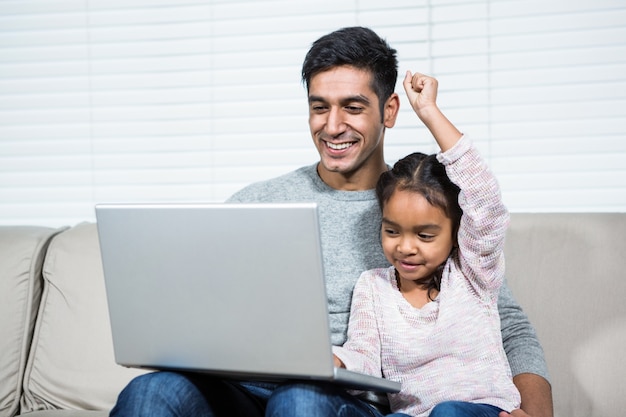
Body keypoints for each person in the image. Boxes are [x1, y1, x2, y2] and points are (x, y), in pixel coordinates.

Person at [110, 26, 553, 417]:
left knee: (300, 399)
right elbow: (196, 305)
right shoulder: (255, 202)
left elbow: (505, 322)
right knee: (151, 392)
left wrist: (534, 411)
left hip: (342, 400)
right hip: (240, 390)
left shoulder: (423, 209)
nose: (333, 125)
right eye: (319, 107)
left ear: (390, 110)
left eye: (353, 107)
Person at [332, 70, 521, 417]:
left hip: (482, 410)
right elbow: (365, 360)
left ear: (455, 232)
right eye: (392, 232)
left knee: (447, 413)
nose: (405, 247)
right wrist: (336, 361)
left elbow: (486, 200)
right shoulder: (373, 288)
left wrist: (430, 112)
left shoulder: (473, 273)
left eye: (425, 235)